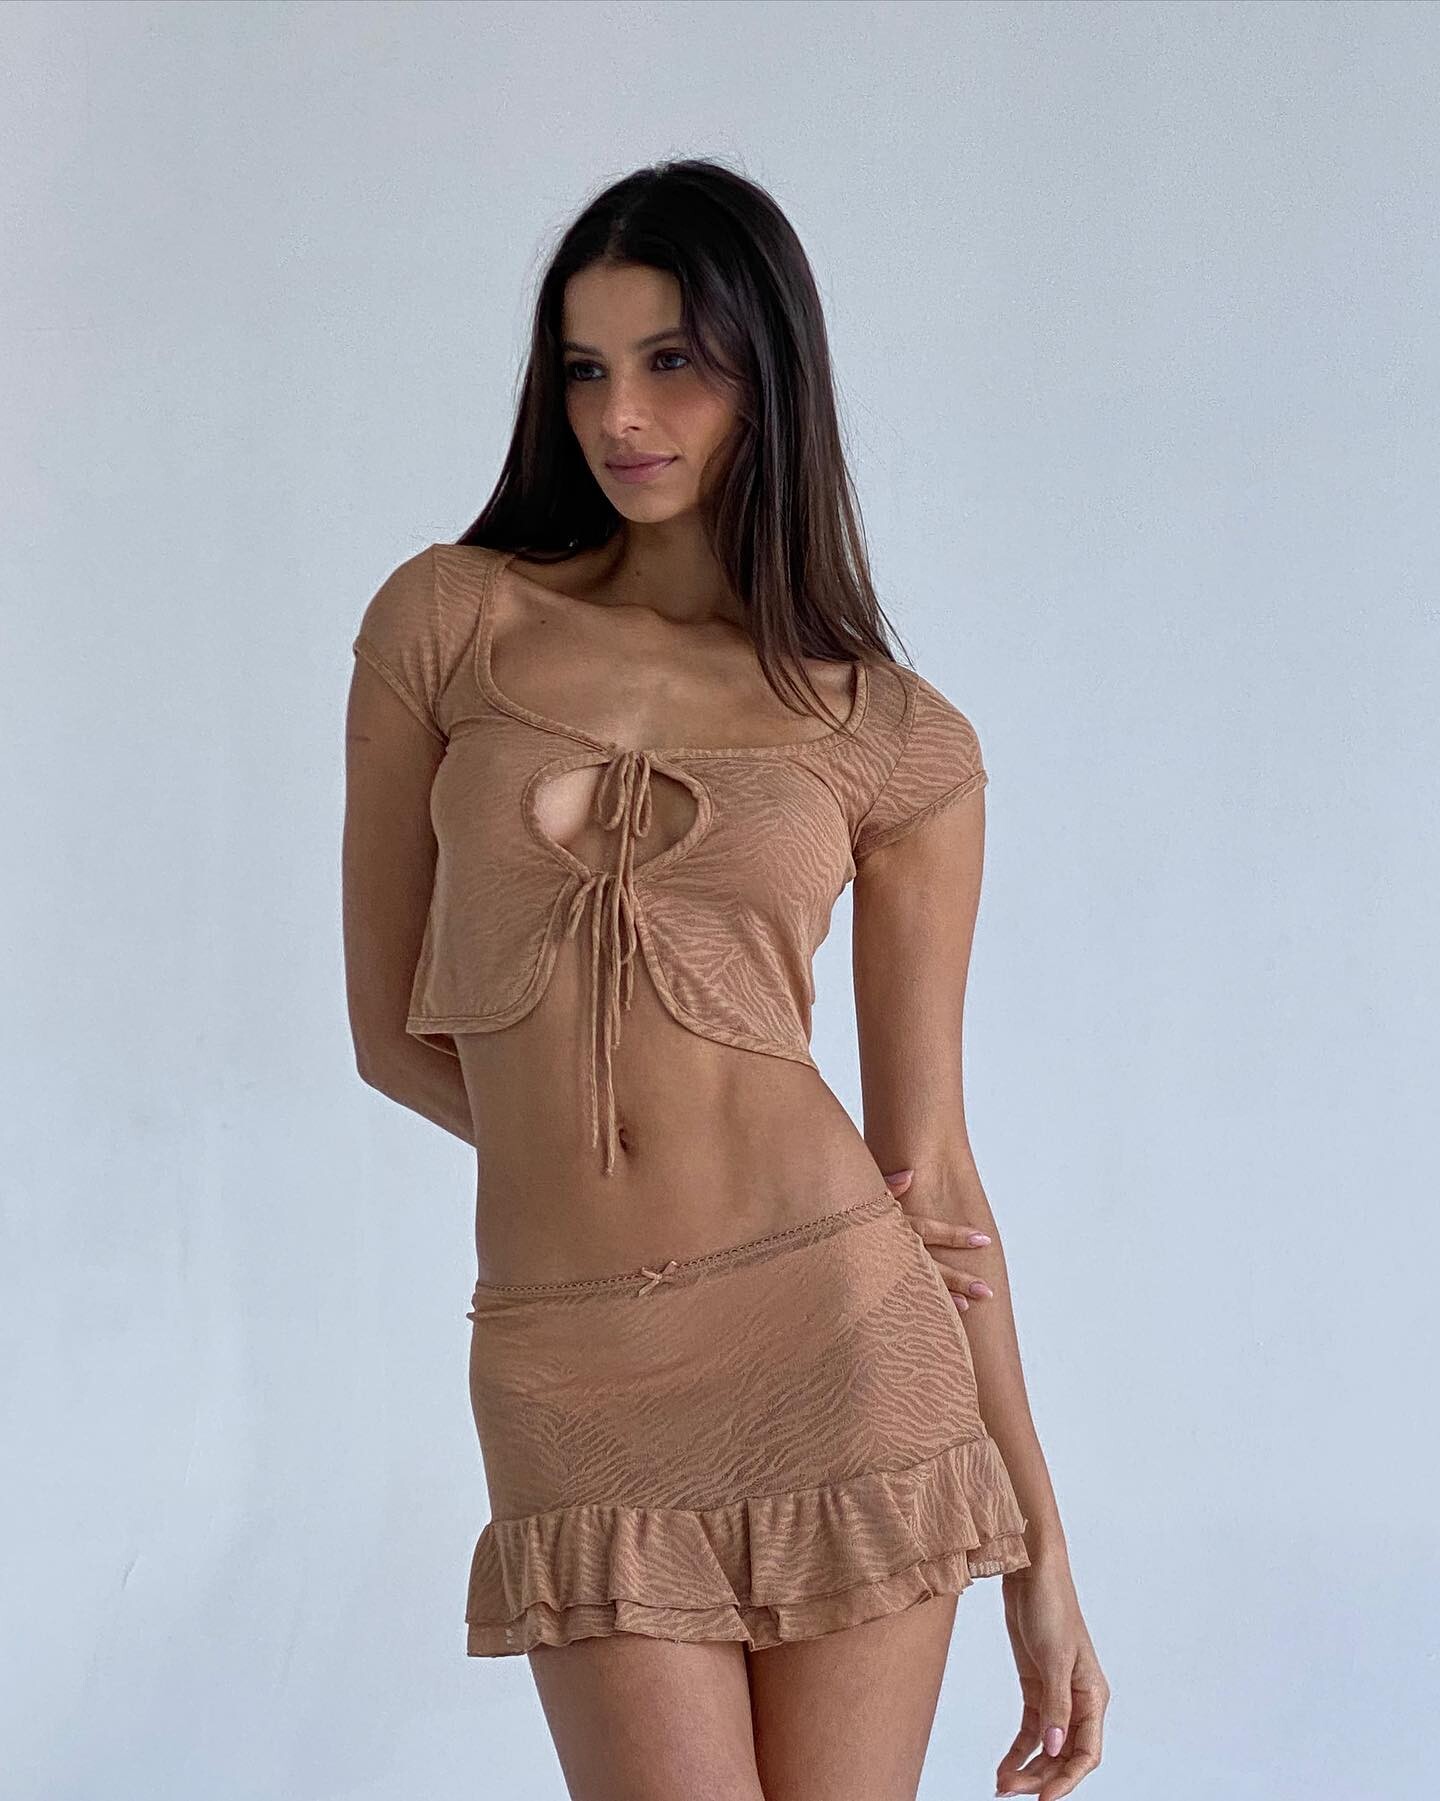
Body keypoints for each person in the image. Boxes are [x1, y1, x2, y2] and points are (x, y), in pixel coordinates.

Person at [342, 157, 1108, 1801]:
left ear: (771, 372)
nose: (620, 414)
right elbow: (388, 1034)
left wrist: (1042, 1551)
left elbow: (936, 1173)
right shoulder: (446, 624)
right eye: (585, 366)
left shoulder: (895, 738)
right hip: (568, 1367)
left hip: (843, 1339)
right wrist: (611, 1185)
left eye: (671, 361)